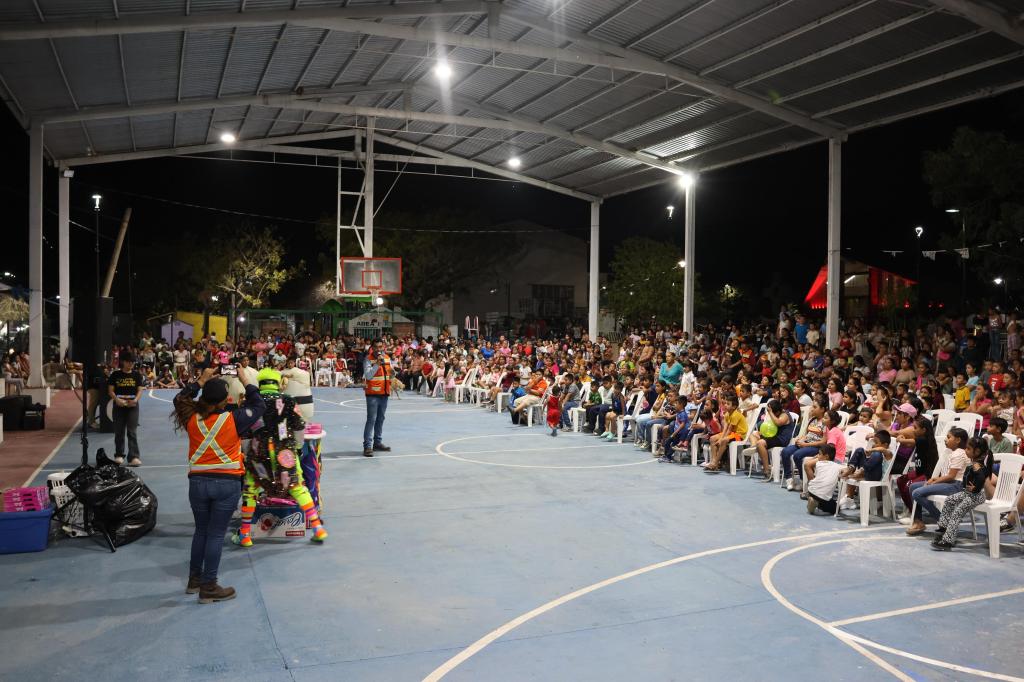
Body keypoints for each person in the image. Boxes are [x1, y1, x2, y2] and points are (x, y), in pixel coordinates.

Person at [172, 366, 266, 603]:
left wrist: (200, 380)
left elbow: (180, 398)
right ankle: (209, 586)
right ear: (226, 400)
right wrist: (246, 381)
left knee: (201, 531)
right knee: (215, 535)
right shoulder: (233, 419)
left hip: (198, 483)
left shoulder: (190, 417)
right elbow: (259, 406)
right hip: (226, 483)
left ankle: (194, 580)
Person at [906, 427, 970, 536]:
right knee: (913, 487)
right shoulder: (952, 452)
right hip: (949, 483)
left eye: (949, 437)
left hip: (957, 485)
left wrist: (935, 482)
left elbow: (951, 476)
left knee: (917, 493)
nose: (946, 439)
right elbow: (948, 475)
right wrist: (936, 479)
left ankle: (943, 521)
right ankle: (918, 521)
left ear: (958, 440)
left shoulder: (959, 453)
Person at [932, 436, 994, 550]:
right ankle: (943, 528)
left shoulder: (976, 465)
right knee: (949, 500)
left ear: (977, 451)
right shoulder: (974, 462)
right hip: (967, 494)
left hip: (976, 496)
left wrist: (975, 489)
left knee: (957, 512)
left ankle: (948, 541)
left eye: (968, 449)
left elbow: (981, 478)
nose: (966, 450)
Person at [107, 352, 144, 466]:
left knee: (132, 431)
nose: (131, 364)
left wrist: (135, 400)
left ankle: (134, 457)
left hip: (132, 406)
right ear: (123, 362)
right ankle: (119, 455)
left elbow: (140, 390)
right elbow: (111, 391)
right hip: (119, 406)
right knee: (119, 431)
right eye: (129, 362)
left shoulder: (137, 375)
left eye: (132, 362)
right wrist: (117, 400)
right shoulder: (115, 375)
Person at [362, 338, 393, 456]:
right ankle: (367, 446)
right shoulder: (368, 359)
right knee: (371, 420)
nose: (379, 349)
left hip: (384, 393)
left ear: (383, 347)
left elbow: (389, 373)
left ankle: (377, 443)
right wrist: (377, 364)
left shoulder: (387, 358)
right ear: (372, 348)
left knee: (381, 419)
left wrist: (394, 375)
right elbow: (369, 376)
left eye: (381, 347)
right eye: (376, 347)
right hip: (373, 394)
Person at [806, 444, 843, 515]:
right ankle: (817, 504)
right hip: (823, 496)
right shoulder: (838, 467)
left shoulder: (818, 464)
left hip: (811, 491)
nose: (817, 456)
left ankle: (814, 501)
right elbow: (846, 469)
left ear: (826, 456)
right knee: (837, 509)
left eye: (819, 454)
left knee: (826, 499)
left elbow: (807, 464)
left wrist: (814, 458)